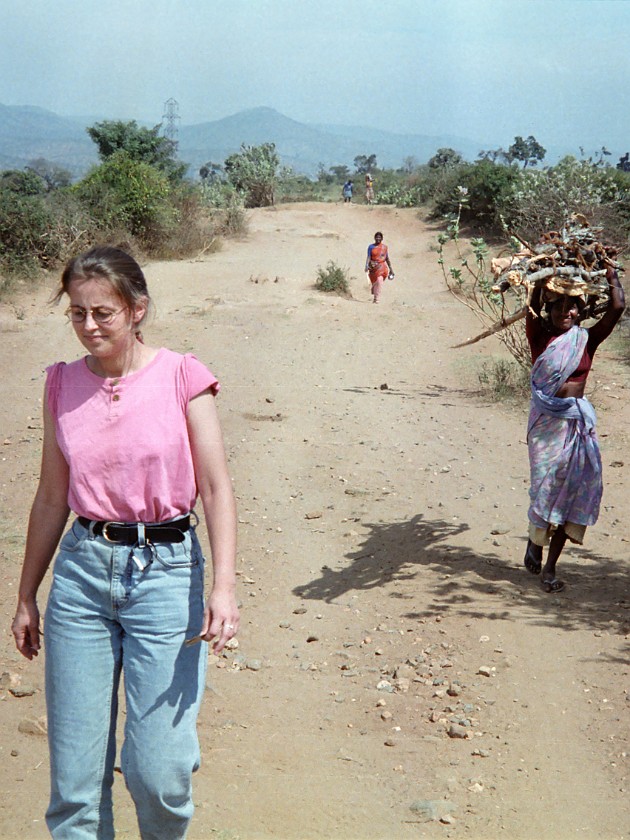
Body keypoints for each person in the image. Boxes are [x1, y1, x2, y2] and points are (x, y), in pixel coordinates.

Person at [11, 246, 239, 838]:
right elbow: (49, 496)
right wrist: (26, 595)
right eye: (77, 313)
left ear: (137, 309)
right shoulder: (61, 383)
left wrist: (224, 589)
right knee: (76, 788)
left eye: (103, 313)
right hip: (82, 574)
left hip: (165, 573)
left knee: (158, 772)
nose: (89, 326)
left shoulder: (183, 377)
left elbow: (215, 490)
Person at [523, 267, 625, 592]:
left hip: (577, 424)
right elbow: (532, 300)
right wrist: (545, 271)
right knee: (546, 487)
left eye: (571, 307)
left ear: (581, 311)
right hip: (546, 425)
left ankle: (550, 568)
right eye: (557, 306)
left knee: (576, 493)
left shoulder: (586, 340)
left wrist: (611, 273)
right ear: (548, 309)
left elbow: (619, 306)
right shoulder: (539, 336)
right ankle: (535, 541)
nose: (564, 312)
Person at [365, 231, 394, 304]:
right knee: (375, 282)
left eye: (379, 237)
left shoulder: (384, 247)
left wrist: (391, 269)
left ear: (382, 238)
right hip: (373, 267)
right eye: (377, 237)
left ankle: (377, 298)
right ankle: (375, 296)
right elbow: (369, 257)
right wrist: (366, 265)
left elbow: (387, 258)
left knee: (379, 280)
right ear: (374, 238)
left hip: (382, 267)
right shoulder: (371, 247)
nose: (378, 238)